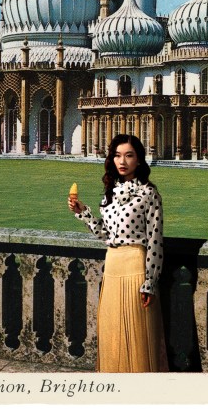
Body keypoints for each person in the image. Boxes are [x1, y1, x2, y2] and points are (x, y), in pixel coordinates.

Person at [68, 133, 169, 373]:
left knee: (136, 336)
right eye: (117, 155)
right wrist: (83, 213)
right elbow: (107, 235)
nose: (122, 161)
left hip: (136, 267)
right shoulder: (110, 193)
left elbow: (155, 240)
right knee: (113, 334)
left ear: (139, 160)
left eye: (129, 156)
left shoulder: (149, 194)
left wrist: (150, 282)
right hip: (112, 266)